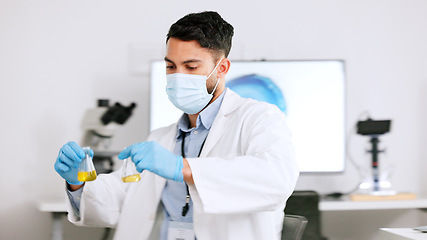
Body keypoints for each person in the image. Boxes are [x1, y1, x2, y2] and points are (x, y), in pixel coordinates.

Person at [54, 11, 299, 240]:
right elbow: (124, 200)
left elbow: (275, 180)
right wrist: (78, 183)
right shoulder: (160, 139)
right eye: (171, 66)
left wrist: (182, 168)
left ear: (222, 68)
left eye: (191, 67)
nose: (178, 76)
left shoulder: (259, 117)